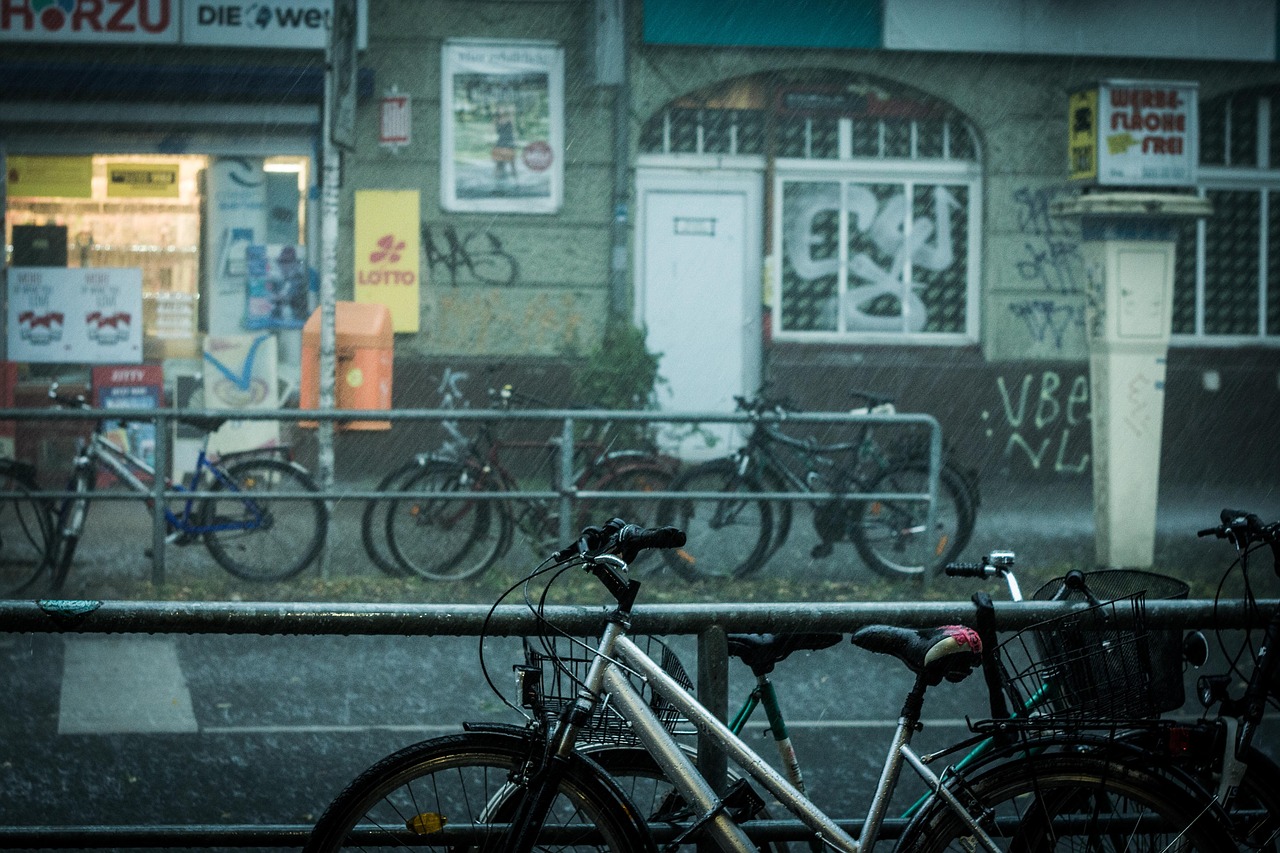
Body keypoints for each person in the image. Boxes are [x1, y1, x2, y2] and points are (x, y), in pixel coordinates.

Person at [492, 106, 517, 180]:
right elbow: (494, 130)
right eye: (499, 110)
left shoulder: (510, 119)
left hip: (509, 141)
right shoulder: (496, 120)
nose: (501, 111)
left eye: (502, 109)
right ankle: (496, 179)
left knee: (512, 163)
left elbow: (513, 128)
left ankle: (515, 179)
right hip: (501, 141)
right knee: (499, 163)